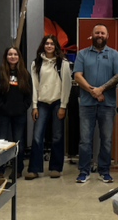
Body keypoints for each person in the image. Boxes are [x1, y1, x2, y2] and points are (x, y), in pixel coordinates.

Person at [73, 23, 118, 183]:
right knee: (85, 140)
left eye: (102, 33)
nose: (99, 35)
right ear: (92, 35)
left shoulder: (115, 54)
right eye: (97, 33)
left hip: (107, 105)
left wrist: (101, 89)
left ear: (107, 36)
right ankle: (83, 171)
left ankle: (104, 170)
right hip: (87, 104)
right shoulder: (82, 54)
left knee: (106, 139)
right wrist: (93, 91)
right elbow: (77, 76)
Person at [27, 35, 72, 180]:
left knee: (57, 136)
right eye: (47, 43)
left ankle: (55, 168)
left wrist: (63, 105)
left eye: (52, 44)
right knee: (37, 136)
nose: (49, 46)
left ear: (56, 46)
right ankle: (34, 169)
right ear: (43, 45)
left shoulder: (62, 63)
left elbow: (67, 84)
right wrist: (34, 106)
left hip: (58, 102)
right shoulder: (36, 63)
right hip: (41, 103)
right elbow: (34, 86)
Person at [0, 46, 33, 179]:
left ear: (19, 57)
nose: (12, 56)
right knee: (1, 142)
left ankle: (17, 169)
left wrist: (22, 108)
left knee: (18, 142)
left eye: (15, 54)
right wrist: (3, 108)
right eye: (10, 54)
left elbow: (28, 95)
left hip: (19, 114)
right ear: (6, 56)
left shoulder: (24, 74)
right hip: (1, 114)